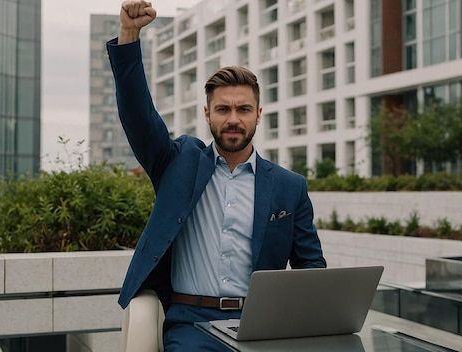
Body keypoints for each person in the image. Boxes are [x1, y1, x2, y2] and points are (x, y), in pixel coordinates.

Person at [107, 1, 326, 350]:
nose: (234, 119)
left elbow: (310, 263)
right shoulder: (176, 163)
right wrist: (129, 35)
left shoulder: (290, 186)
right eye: (223, 109)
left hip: (263, 327)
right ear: (208, 113)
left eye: (243, 109)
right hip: (193, 326)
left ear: (258, 114)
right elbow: (137, 113)